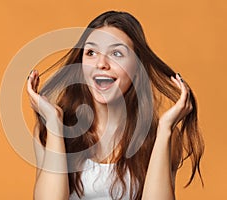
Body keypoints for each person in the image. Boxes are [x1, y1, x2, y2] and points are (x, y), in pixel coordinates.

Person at [27, 11, 204, 200]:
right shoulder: (50, 130)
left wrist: (165, 129)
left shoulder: (161, 136)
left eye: (116, 53)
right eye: (91, 52)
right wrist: (54, 124)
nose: (101, 63)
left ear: (137, 68)